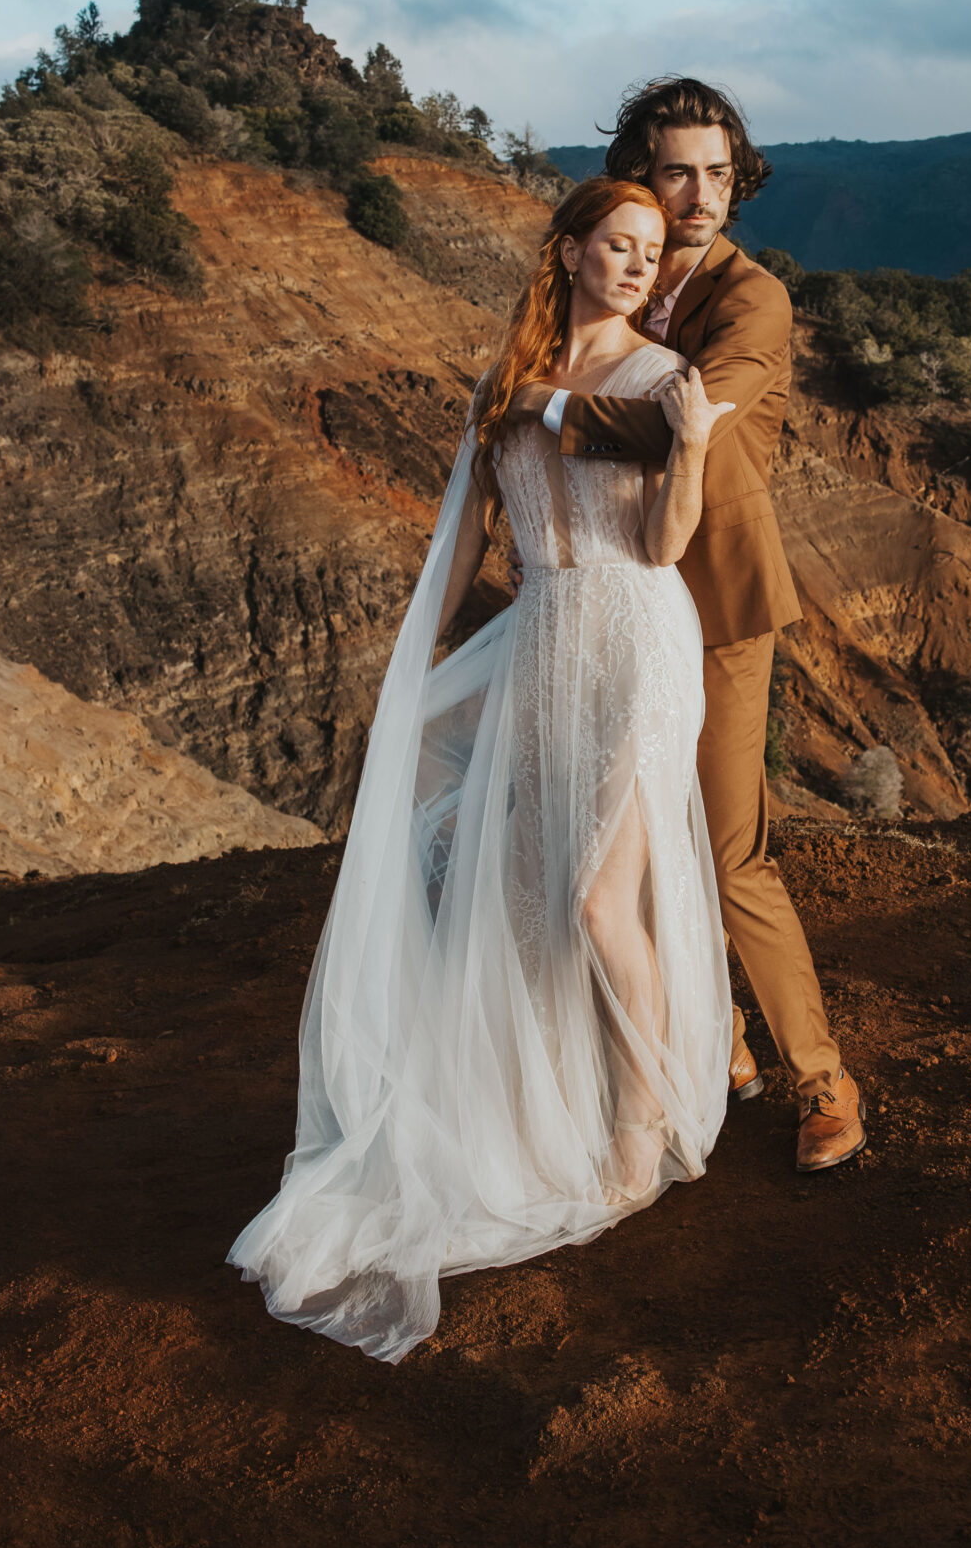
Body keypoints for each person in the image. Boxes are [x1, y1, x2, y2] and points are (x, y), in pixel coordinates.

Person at [229, 177, 735, 1362]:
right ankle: (543, 1108)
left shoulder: (662, 386)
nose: (635, 265)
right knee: (519, 897)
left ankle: (636, 1127)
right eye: (616, 244)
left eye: (652, 252)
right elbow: (466, 537)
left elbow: (664, 544)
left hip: (638, 641)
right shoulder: (503, 386)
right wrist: (419, 660)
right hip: (548, 641)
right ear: (568, 252)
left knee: (599, 898)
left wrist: (698, 447)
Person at [509, 76, 867, 1175]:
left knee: (724, 852)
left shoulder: (753, 300)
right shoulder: (619, 265)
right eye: (678, 172)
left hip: (712, 603)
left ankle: (823, 1083)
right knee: (624, 846)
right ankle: (718, 1050)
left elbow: (680, 426)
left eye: (719, 173)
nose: (701, 196)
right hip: (606, 604)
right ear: (638, 173)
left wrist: (547, 402)